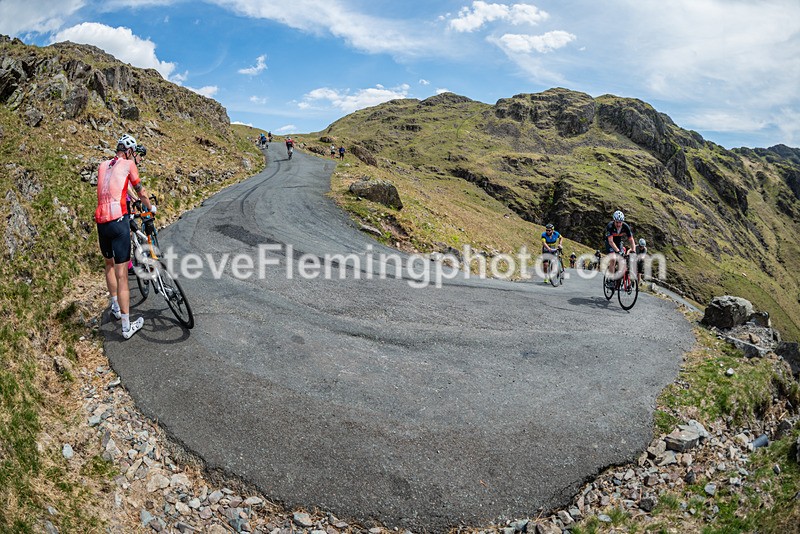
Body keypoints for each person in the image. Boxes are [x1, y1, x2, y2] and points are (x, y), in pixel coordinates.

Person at [95, 134, 155, 340]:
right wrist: (150, 207)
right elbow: (140, 191)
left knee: (109, 265)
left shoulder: (103, 165)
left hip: (101, 223)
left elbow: (114, 186)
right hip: (118, 221)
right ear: (129, 151)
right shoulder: (129, 164)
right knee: (122, 275)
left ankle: (115, 306)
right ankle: (126, 327)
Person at [605, 210, 636, 286]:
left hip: (618, 242)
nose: (619, 224)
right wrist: (618, 251)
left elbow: (631, 240)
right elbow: (611, 242)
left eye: (620, 222)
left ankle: (619, 277)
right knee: (613, 259)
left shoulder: (625, 226)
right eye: (617, 222)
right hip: (610, 242)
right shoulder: (610, 226)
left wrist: (634, 250)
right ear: (614, 220)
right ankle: (611, 279)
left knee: (622, 259)